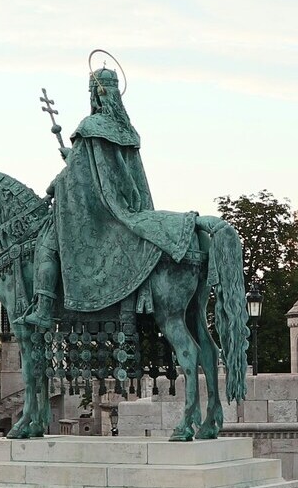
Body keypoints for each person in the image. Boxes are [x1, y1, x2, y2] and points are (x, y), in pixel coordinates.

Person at [21, 67, 195, 329]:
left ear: (94, 93)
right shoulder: (127, 130)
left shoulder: (90, 127)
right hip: (130, 206)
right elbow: (117, 172)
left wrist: (52, 187)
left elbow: (76, 178)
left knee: (48, 242)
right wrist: (77, 157)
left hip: (98, 209)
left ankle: (44, 309)